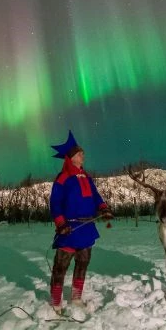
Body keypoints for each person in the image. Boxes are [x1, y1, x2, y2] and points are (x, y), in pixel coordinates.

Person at [48, 130, 113, 314]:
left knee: (83, 263)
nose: (83, 155)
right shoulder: (62, 178)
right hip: (69, 229)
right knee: (60, 266)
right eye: (79, 153)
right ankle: (55, 302)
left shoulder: (87, 177)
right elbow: (55, 202)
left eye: (82, 153)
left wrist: (103, 208)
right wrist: (60, 224)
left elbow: (95, 196)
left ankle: (76, 297)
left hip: (86, 228)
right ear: (70, 158)